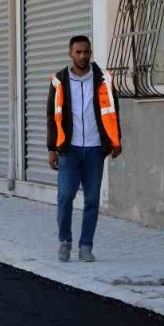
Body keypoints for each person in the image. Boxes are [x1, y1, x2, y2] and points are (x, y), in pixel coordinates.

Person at [47, 34, 123, 263]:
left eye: (86, 52)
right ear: (70, 53)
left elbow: (113, 112)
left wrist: (115, 141)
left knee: (92, 199)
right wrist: (52, 147)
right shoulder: (59, 81)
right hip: (69, 150)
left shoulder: (103, 81)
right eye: (78, 52)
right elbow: (52, 116)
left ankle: (86, 246)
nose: (83, 56)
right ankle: (64, 241)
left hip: (95, 149)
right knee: (65, 195)